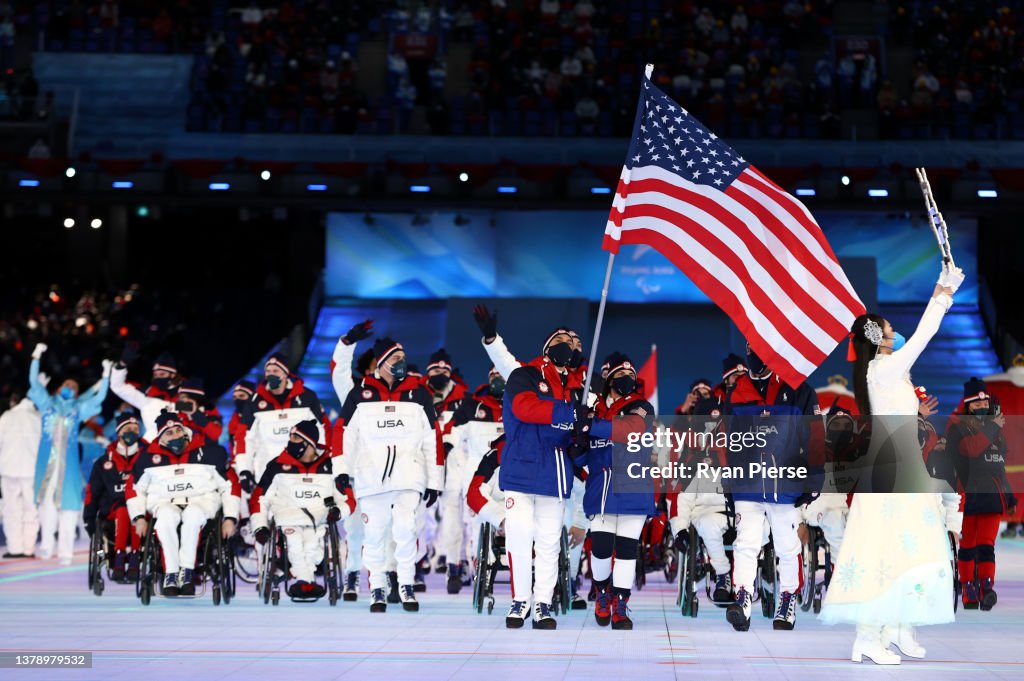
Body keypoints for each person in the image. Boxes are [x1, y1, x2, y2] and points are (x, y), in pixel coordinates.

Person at [820, 264, 965, 665]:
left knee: (905, 550)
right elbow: (923, 336)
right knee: (881, 550)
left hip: (904, 467)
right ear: (878, 338)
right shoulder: (884, 368)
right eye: (887, 328)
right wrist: (942, 292)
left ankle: (889, 630)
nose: (894, 331)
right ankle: (868, 637)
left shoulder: (890, 374)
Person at [336, 337, 443, 613]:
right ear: (381, 363)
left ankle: (406, 585)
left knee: (406, 531)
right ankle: (377, 589)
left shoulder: (419, 394)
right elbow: (344, 436)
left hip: (409, 478)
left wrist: (434, 481)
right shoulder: (359, 394)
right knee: (374, 535)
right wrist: (342, 471)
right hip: (372, 480)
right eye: (395, 358)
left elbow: (433, 440)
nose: (401, 363)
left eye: (402, 357)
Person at [725, 342, 823, 632]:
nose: (756, 356)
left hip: (787, 482)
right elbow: (726, 442)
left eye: (762, 349)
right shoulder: (737, 391)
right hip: (747, 481)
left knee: (787, 545)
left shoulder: (798, 388)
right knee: (745, 543)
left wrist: (814, 478)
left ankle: (787, 600)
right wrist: (728, 482)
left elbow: (815, 436)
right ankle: (741, 598)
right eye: (751, 350)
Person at [500, 328, 585, 630]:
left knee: (549, 544)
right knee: (519, 537)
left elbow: (577, 433)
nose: (566, 348)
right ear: (547, 346)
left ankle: (542, 604)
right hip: (521, 469)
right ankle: (520, 600)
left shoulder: (578, 388)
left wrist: (583, 432)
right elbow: (524, 408)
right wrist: (568, 412)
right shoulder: (524, 375)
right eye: (559, 343)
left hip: (556, 473)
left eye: (570, 344)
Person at [575, 353, 654, 629]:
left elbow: (633, 430)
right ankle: (602, 592)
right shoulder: (593, 408)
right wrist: (578, 443)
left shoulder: (642, 406)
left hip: (634, 488)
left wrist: (593, 426)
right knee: (600, 548)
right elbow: (583, 455)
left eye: (631, 375)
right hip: (601, 489)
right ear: (608, 379)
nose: (627, 380)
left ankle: (621, 603)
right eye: (621, 375)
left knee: (626, 550)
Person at [126, 412, 240, 597]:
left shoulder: (210, 452)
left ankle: (186, 572)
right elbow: (134, 489)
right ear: (161, 438)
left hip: (201, 502)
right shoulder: (147, 458)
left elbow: (230, 485)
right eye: (169, 433)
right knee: (164, 519)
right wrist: (138, 518)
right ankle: (171, 573)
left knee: (193, 515)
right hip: (165, 503)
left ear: (185, 431)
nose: (176, 436)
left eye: (178, 430)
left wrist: (230, 518)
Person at [250, 419, 354, 600]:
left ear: (310, 443)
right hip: (287, 517)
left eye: (295, 438)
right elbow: (259, 498)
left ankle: (304, 580)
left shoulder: (332, 466)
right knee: (295, 543)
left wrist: (338, 512)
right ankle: (305, 581)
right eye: (290, 437)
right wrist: (260, 526)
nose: (290, 442)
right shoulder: (276, 466)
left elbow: (348, 500)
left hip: (319, 519)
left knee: (314, 544)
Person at [29, 344, 111, 564]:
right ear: (59, 388)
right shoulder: (47, 404)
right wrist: (36, 357)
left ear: (77, 393)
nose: (70, 387)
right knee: (46, 508)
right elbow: (32, 382)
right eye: (67, 384)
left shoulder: (78, 409)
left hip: (69, 468)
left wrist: (106, 375)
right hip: (46, 466)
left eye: (74, 386)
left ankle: (65, 551)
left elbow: (100, 397)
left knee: (68, 509)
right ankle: (46, 546)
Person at [946, 377, 1015, 610]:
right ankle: (968, 589)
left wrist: (1009, 494)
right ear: (967, 405)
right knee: (968, 545)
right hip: (967, 493)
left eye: (984, 403)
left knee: (986, 545)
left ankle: (987, 586)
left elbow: (999, 463)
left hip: (991, 494)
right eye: (976, 403)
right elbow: (972, 449)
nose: (981, 407)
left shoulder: (993, 428)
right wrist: (993, 426)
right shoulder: (957, 425)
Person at [439, 366, 505, 593]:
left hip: (512, 476)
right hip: (480, 477)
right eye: (493, 375)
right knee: (478, 526)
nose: (497, 379)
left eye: (501, 375)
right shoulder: (472, 406)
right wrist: (448, 442)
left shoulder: (520, 405)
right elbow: (452, 428)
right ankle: (481, 570)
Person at [668, 396, 733, 604]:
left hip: (737, 511)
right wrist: (680, 530)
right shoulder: (693, 459)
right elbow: (684, 500)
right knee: (708, 525)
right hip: (706, 511)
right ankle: (723, 576)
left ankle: (745, 581)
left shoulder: (736, 453)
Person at [234, 353, 331, 493]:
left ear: (285, 373)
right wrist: (244, 470)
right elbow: (243, 439)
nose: (270, 374)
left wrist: (324, 461)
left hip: (302, 472)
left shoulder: (306, 396)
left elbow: (323, 430)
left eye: (275, 371)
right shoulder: (254, 402)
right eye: (268, 371)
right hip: (269, 474)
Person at [329, 320, 374, 601]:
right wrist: (346, 344)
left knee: (391, 532)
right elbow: (338, 373)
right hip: (361, 473)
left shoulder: (405, 395)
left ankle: (387, 579)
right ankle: (353, 575)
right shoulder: (353, 394)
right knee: (356, 529)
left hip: (393, 477)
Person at [82, 412, 145, 581]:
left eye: (135, 428)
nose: (132, 431)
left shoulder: (148, 457)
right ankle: (119, 556)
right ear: (119, 433)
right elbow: (92, 492)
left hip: (143, 510)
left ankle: (133, 556)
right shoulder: (103, 462)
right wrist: (89, 517)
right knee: (124, 508)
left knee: (133, 509)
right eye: (128, 428)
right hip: (112, 510)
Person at [0, 393, 42, 558]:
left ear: (13, 402)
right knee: (31, 509)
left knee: (12, 510)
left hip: (9, 469)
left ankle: (15, 548)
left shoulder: (7, 417)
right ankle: (28, 548)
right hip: (31, 471)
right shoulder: (37, 417)